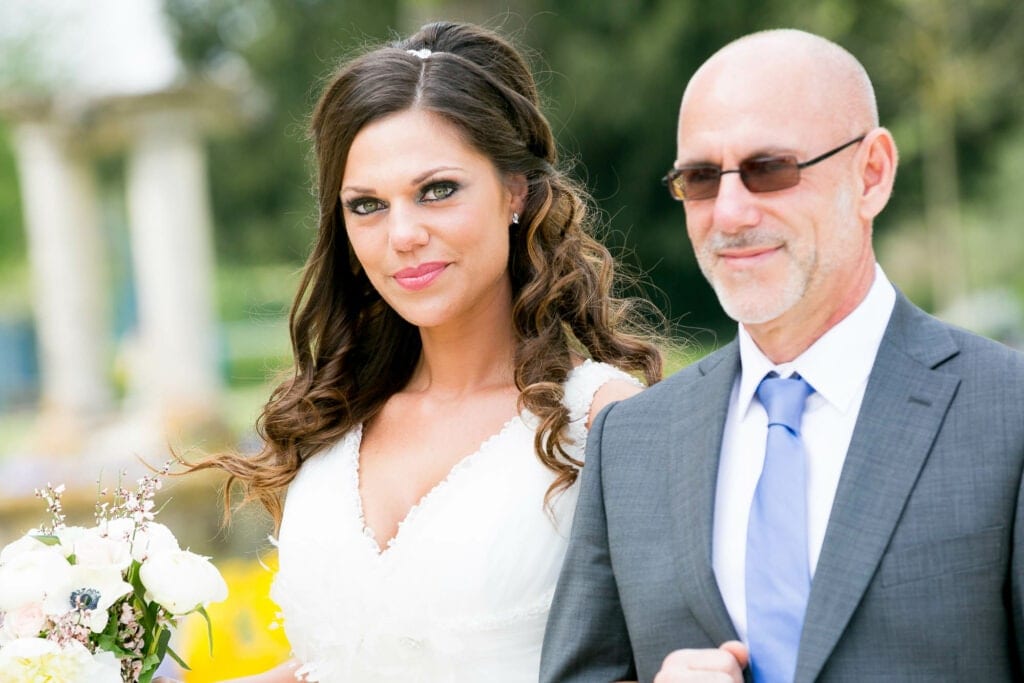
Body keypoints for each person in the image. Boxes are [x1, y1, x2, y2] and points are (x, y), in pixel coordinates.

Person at [179, 20, 662, 683]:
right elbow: (334, 664)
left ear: (514, 190)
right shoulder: (333, 420)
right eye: (368, 205)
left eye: (437, 190)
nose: (402, 234)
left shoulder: (602, 419)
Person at [540, 28, 1024, 683]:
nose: (731, 212)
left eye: (770, 168)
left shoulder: (1007, 410)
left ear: (872, 173)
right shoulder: (632, 439)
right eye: (701, 179)